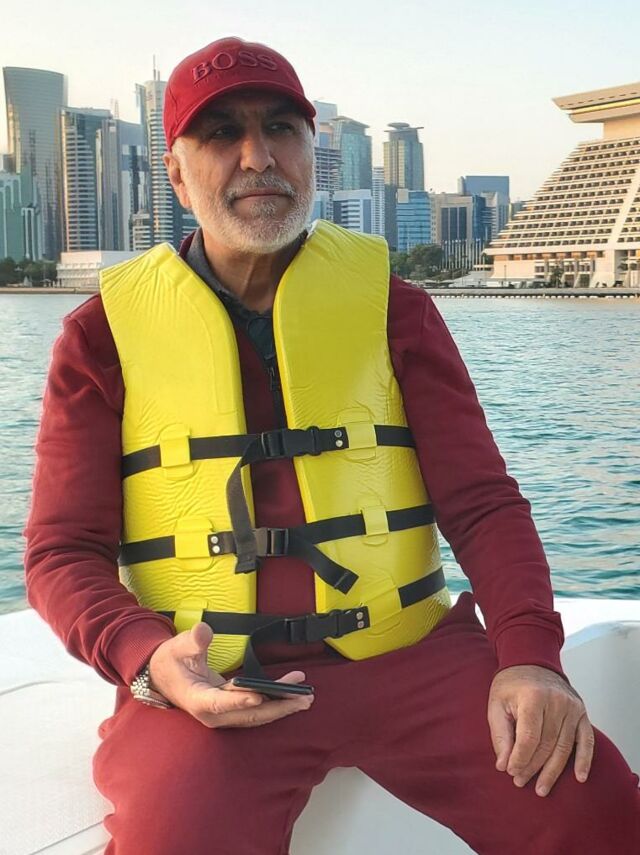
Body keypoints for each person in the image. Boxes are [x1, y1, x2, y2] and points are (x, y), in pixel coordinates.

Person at [24, 36, 639, 855]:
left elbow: (483, 503)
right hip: (213, 678)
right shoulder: (100, 336)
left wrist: (530, 654)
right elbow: (61, 551)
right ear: (173, 173)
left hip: (412, 656)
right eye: (222, 133)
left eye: (281, 128)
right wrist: (145, 657)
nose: (258, 156)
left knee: (597, 809)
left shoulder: (396, 308)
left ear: (314, 153)